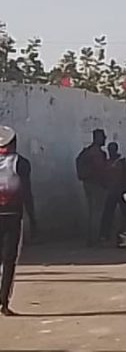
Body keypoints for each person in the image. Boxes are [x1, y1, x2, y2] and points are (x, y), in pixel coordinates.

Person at [0, 126, 36, 315]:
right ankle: (3, 303)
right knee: (8, 260)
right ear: (13, 142)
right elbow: (26, 192)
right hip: (12, 215)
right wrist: (33, 217)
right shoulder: (21, 162)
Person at [75, 128, 108, 246]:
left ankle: (91, 238)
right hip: (96, 184)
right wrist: (105, 183)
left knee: (92, 212)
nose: (105, 138)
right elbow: (100, 170)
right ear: (98, 138)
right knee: (96, 213)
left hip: (88, 183)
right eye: (103, 136)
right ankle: (94, 239)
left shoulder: (87, 151)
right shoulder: (96, 153)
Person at [99, 142, 126, 243]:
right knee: (108, 214)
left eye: (112, 149)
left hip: (122, 191)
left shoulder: (122, 162)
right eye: (110, 149)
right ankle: (105, 235)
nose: (111, 151)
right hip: (112, 191)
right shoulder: (108, 162)